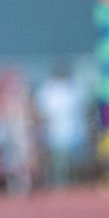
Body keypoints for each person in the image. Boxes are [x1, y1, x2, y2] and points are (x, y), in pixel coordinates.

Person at [35, 61, 89, 189]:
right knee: (59, 162)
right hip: (55, 132)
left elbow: (83, 110)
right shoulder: (48, 89)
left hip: (74, 131)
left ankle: (74, 185)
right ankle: (60, 185)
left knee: (74, 162)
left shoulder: (74, 88)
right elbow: (40, 112)